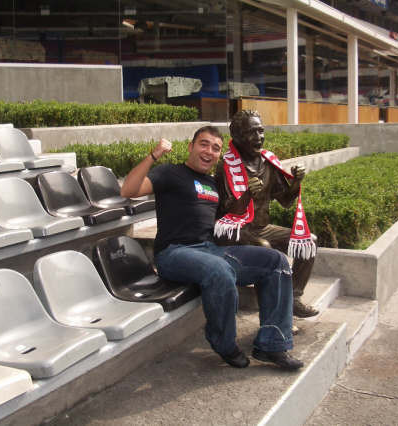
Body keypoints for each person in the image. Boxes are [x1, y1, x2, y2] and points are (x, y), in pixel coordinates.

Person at [120, 125, 303, 370]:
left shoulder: (213, 184)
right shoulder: (170, 173)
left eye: (216, 148)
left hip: (210, 249)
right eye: (203, 144)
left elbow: (230, 217)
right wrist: (155, 155)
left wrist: (248, 194)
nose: (209, 151)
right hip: (174, 252)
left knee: (276, 262)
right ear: (191, 147)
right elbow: (128, 190)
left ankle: (272, 345)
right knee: (219, 270)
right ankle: (224, 343)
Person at [214, 110, 319, 318]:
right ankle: (274, 315)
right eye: (251, 132)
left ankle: (294, 298)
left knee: (309, 240)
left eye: (261, 131)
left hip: (262, 228)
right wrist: (246, 194)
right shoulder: (226, 165)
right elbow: (227, 212)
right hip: (234, 230)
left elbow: (286, 201)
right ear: (236, 136)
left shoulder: (268, 162)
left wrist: (297, 181)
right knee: (266, 251)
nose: (259, 137)